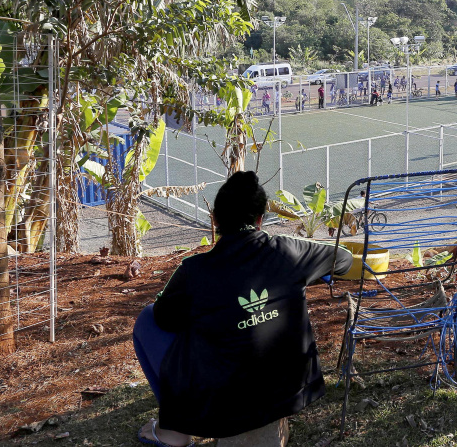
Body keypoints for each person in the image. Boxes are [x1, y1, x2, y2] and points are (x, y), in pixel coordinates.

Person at [133, 172, 353, 446]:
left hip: (223, 405)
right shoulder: (289, 252)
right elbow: (344, 258)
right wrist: (308, 273)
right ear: (260, 219)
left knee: (146, 319)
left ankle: (174, 432)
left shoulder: (193, 271)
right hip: (290, 391)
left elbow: (164, 318)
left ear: (215, 220)